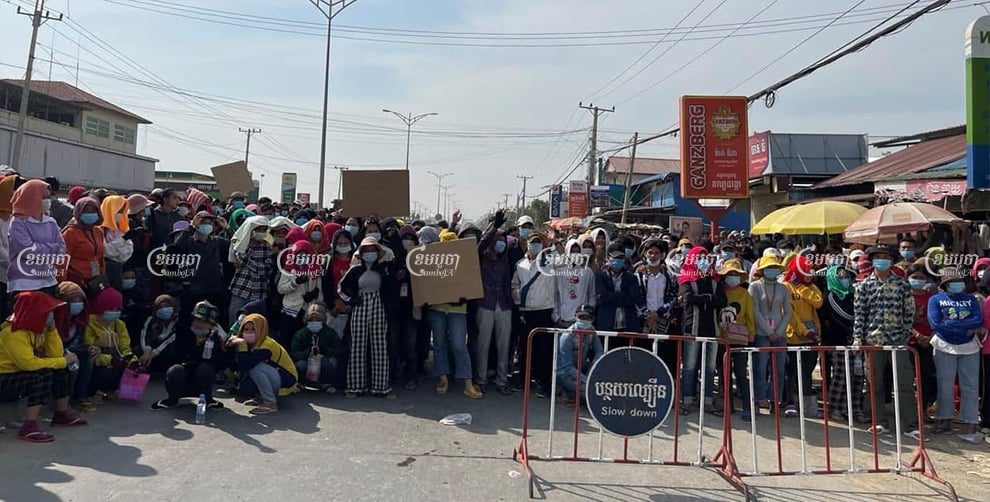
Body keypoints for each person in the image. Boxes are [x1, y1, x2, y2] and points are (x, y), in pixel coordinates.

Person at [0, 291, 88, 442]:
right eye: (48, 312)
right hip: (4, 378)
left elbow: (56, 354)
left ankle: (61, 414)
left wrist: (52, 330)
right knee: (43, 374)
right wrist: (62, 361)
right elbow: (28, 364)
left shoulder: (40, 328)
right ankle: (29, 427)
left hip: (20, 374)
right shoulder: (13, 332)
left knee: (62, 367)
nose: (51, 315)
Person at [853, 245, 917, 436]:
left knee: (904, 383)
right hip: (873, 340)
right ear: (872, 261)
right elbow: (860, 314)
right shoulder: (864, 285)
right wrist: (858, 337)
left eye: (886, 257)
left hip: (898, 340)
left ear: (892, 261)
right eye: (878, 257)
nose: (882, 260)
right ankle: (879, 421)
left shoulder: (902, 284)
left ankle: (910, 425)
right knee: (875, 383)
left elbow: (909, 311)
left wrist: (905, 333)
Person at [928, 267, 984, 444]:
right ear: (945, 284)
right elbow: (935, 323)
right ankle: (944, 419)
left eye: (958, 281)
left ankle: (971, 423)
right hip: (944, 345)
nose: (956, 284)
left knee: (970, 386)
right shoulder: (935, 300)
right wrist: (964, 326)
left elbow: (978, 319)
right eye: (952, 282)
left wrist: (951, 324)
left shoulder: (971, 299)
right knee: (945, 385)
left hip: (969, 347)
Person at [427, 231, 483, 399]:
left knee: (459, 345)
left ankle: (468, 383)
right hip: (437, 309)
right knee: (439, 344)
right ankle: (443, 378)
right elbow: (425, 286)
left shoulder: (465, 265)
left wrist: (464, 297)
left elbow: (470, 287)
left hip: (458, 311)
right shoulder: (432, 264)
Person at [338, 237, 396, 399]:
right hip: (360, 305)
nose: (369, 253)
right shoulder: (355, 270)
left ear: (377, 252)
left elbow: (392, 287)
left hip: (379, 306)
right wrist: (351, 300)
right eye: (366, 251)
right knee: (357, 345)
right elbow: (340, 288)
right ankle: (355, 386)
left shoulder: (383, 269)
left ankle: (381, 387)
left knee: (380, 346)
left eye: (372, 250)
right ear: (361, 254)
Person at [151, 301, 229, 411]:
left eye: (203, 322)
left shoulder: (219, 337)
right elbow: (173, 353)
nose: (198, 324)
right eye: (196, 320)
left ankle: (208, 399)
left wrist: (211, 342)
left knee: (205, 369)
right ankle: (172, 399)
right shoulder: (184, 331)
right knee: (174, 370)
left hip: (203, 378)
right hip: (184, 374)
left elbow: (221, 363)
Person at [679, 246, 726, 412]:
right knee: (690, 366)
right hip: (692, 328)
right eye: (698, 258)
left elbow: (722, 301)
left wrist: (705, 299)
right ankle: (687, 400)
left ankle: (707, 401)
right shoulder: (686, 278)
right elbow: (689, 298)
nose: (703, 261)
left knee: (709, 368)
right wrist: (709, 298)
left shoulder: (715, 279)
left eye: (705, 257)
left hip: (712, 330)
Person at [511, 232, 558, 397]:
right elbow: (514, 284)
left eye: (538, 242)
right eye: (533, 242)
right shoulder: (520, 264)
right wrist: (518, 299)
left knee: (544, 350)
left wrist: (553, 242)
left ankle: (543, 384)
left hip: (544, 312)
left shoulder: (550, 262)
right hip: (526, 313)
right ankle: (524, 381)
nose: (535, 245)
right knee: (524, 349)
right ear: (527, 244)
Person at [227, 313, 297, 414]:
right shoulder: (249, 342)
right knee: (245, 388)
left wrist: (242, 345)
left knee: (255, 368)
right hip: (273, 374)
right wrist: (230, 345)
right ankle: (260, 397)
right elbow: (238, 366)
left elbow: (246, 365)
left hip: (287, 379)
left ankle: (270, 403)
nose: (249, 332)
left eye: (253, 329)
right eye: (246, 329)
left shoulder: (267, 345)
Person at [821, 264, 866, 423]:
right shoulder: (831, 296)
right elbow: (846, 315)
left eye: (846, 276)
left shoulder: (852, 294)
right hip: (838, 342)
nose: (845, 279)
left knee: (858, 377)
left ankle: (854, 409)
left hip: (857, 341)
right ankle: (835, 408)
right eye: (840, 276)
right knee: (841, 377)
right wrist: (855, 325)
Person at [476, 210, 513, 395]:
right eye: (498, 240)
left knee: (503, 346)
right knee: (483, 345)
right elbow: (481, 243)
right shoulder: (482, 258)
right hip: (486, 304)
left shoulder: (505, 260)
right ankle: (480, 380)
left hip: (504, 306)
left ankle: (502, 381)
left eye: (503, 241)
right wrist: (494, 227)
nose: (501, 243)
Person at [748, 255, 791, 412]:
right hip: (761, 333)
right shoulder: (754, 287)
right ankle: (759, 398)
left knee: (779, 368)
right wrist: (768, 330)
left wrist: (778, 331)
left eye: (774, 268)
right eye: (769, 268)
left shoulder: (783, 288)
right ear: (762, 270)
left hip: (780, 334)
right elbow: (754, 311)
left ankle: (775, 399)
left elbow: (788, 312)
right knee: (760, 367)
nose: (772, 270)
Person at [783, 255, 823, 418]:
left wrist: (802, 287)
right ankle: (790, 402)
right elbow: (790, 314)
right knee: (791, 371)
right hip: (793, 336)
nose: (809, 273)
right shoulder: (786, 286)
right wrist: (805, 331)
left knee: (807, 371)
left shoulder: (810, 287)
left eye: (811, 270)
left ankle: (806, 404)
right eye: (806, 270)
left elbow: (818, 302)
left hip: (812, 338)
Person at [8, 179, 66, 293]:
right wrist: (52, 248)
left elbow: (62, 249)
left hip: (48, 280)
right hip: (23, 282)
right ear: (31, 197)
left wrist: (40, 248)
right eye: (43, 197)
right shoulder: (18, 222)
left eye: (48, 197)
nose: (47, 201)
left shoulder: (51, 222)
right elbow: (27, 251)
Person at [717, 258, 755, 419]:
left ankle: (747, 407)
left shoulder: (745, 294)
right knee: (724, 375)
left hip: (740, 338)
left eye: (736, 274)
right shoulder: (719, 291)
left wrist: (751, 333)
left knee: (741, 374)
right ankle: (728, 406)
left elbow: (750, 315)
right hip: (721, 339)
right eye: (730, 273)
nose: (733, 276)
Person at [83, 287, 135, 401]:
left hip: (116, 359)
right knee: (108, 371)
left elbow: (125, 347)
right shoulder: (90, 324)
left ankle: (115, 390)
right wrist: (111, 360)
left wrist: (132, 361)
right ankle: (95, 391)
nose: (115, 312)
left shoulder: (119, 324)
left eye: (118, 309)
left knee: (133, 368)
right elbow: (91, 351)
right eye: (111, 308)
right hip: (98, 363)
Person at [228, 215, 274, 323]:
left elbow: (266, 269)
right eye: (259, 230)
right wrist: (254, 262)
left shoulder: (267, 246)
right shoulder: (241, 244)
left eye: (264, 230)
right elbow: (238, 260)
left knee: (255, 323)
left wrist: (248, 261)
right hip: (241, 289)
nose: (262, 232)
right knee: (235, 321)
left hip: (259, 291)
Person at [555, 304, 603, 405]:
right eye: (581, 317)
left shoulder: (591, 330)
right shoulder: (567, 336)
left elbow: (599, 351)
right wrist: (588, 380)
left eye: (587, 317)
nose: (584, 320)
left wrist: (594, 365)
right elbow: (567, 367)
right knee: (591, 392)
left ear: (593, 319)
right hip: (564, 373)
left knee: (601, 384)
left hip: (581, 367)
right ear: (575, 317)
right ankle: (564, 391)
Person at [291, 302, 344, 393]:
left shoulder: (330, 333)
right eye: (311, 319)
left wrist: (325, 350)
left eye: (318, 319)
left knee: (332, 361)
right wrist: (308, 352)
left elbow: (339, 350)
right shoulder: (301, 334)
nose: (314, 321)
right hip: (307, 362)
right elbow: (294, 354)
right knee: (300, 365)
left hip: (323, 361)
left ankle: (326, 383)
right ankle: (302, 383)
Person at [277, 240, 323, 344]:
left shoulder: (315, 269)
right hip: (291, 310)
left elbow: (319, 290)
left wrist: (314, 298)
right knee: (286, 340)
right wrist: (295, 283)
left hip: (308, 311)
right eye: (299, 255)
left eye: (305, 255)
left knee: (305, 341)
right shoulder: (288, 270)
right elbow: (281, 289)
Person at [62, 196, 106, 289]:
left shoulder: (98, 231)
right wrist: (63, 284)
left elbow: (100, 257)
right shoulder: (71, 233)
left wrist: (102, 275)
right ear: (79, 212)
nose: (90, 214)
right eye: (86, 211)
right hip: (76, 280)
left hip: (95, 279)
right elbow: (63, 260)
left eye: (93, 211)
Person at [595, 246, 642, 332]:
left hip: (628, 324)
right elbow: (602, 297)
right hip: (607, 324)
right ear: (608, 259)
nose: (617, 261)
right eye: (615, 258)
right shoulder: (601, 276)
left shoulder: (631, 277)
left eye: (620, 258)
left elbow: (633, 298)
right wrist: (623, 295)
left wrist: (612, 297)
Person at [136, 295, 181, 374]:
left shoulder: (178, 320)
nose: (164, 309)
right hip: (151, 348)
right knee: (138, 349)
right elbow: (144, 335)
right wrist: (147, 350)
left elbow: (171, 339)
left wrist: (155, 353)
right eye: (161, 307)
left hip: (165, 349)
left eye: (167, 306)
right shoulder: (151, 319)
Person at [100, 195, 133, 290]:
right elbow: (105, 251)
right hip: (103, 271)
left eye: (123, 211)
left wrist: (116, 251)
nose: (121, 214)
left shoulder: (121, 227)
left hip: (118, 270)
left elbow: (127, 252)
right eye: (118, 210)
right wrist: (122, 241)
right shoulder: (99, 229)